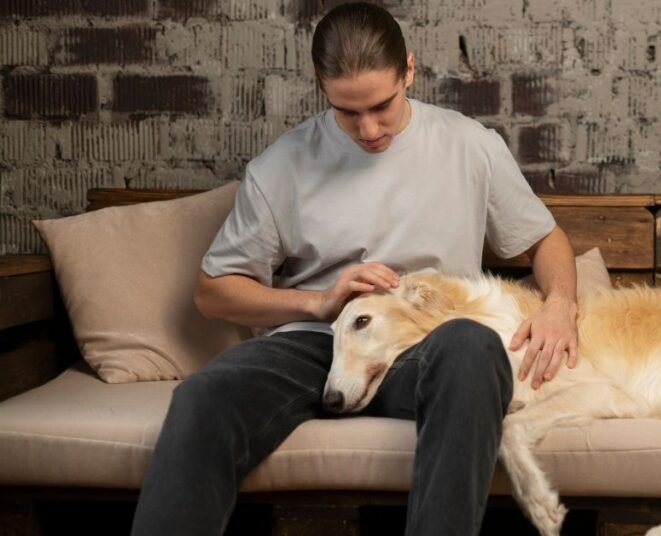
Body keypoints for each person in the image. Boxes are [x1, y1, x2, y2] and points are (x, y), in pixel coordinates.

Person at [129, 2, 579, 535]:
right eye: (347, 112)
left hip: (422, 342)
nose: (368, 129)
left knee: (472, 346)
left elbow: (544, 239)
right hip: (316, 341)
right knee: (204, 396)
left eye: (382, 106)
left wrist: (560, 306)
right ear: (322, 89)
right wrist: (317, 303)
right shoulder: (281, 166)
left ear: (409, 70)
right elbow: (213, 292)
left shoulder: (469, 145)